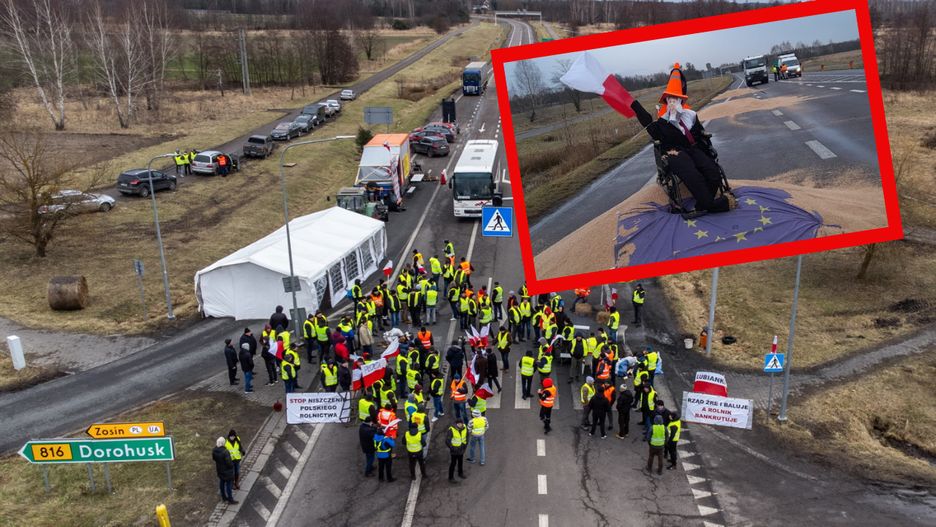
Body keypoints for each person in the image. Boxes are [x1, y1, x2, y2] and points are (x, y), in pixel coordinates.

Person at [630, 64, 736, 214]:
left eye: (676, 99)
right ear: (666, 103)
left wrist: (705, 142)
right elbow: (648, 122)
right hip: (676, 152)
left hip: (694, 148)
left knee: (712, 171)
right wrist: (634, 105)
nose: (673, 103)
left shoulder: (691, 115)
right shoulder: (662, 123)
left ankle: (704, 204)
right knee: (693, 175)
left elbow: (700, 132)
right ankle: (714, 204)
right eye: (670, 100)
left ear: (681, 101)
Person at [213, 437, 238, 504]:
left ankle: (224, 497)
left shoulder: (214, 450)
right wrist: (232, 465)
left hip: (220, 470)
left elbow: (214, 459)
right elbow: (229, 463)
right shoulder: (225, 452)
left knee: (222, 483)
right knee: (229, 485)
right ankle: (230, 499)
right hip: (227, 472)